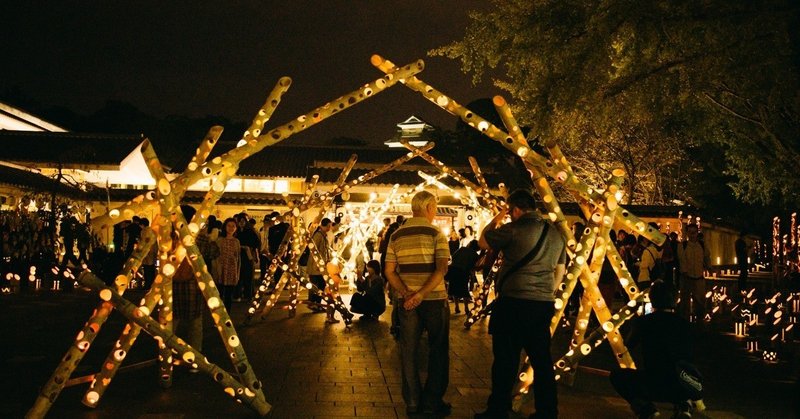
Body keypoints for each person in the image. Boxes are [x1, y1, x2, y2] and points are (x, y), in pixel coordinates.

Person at [476, 189, 566, 419]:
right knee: (542, 361)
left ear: (515, 209)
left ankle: (498, 409)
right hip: (541, 305)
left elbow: (483, 241)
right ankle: (547, 411)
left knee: (505, 359)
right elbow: (560, 269)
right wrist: (548, 292)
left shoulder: (514, 229)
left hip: (513, 303)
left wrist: (497, 218)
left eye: (509, 211)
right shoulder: (555, 234)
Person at [384, 191, 451, 416]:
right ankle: (432, 402)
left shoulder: (396, 235)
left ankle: (412, 402)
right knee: (438, 349)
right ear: (430, 207)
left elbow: (389, 271)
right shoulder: (436, 233)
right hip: (433, 299)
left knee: (409, 350)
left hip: (406, 302)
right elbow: (441, 268)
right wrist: (421, 294)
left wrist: (406, 293)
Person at [610, 280, 701, 418]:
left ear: (652, 300)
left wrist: (635, 324)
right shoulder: (685, 324)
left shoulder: (644, 322)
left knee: (617, 376)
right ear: (676, 300)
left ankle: (646, 409)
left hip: (654, 383)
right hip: (684, 384)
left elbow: (627, 345)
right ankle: (684, 405)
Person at [677, 224, 709, 321]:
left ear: (697, 233)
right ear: (687, 233)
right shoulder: (682, 246)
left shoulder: (702, 245)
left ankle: (699, 324)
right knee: (685, 304)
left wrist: (709, 267)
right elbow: (682, 261)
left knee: (700, 304)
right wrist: (685, 272)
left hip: (699, 278)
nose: (692, 235)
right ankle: (685, 323)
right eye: (690, 232)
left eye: (694, 232)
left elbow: (707, 257)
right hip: (686, 278)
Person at [446, 240, 480, 314]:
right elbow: (473, 266)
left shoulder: (462, 249)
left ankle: (457, 307)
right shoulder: (475, 255)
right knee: (464, 290)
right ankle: (466, 308)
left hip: (454, 270)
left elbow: (453, 257)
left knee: (454, 289)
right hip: (464, 271)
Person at [307, 218, 333, 310]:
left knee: (320, 285)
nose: (330, 227)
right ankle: (314, 304)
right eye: (329, 225)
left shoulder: (323, 235)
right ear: (325, 225)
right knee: (317, 286)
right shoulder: (318, 235)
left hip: (320, 266)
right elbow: (313, 250)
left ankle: (317, 304)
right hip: (316, 267)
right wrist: (319, 263)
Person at [216, 218, 240, 312]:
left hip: (232, 269)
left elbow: (238, 259)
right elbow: (215, 256)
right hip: (221, 269)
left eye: (233, 226)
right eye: (229, 226)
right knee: (219, 294)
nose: (231, 228)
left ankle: (227, 316)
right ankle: (218, 315)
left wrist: (237, 273)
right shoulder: (219, 240)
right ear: (225, 227)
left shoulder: (237, 241)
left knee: (229, 296)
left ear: (236, 228)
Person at [235, 213, 261, 302]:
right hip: (237, 256)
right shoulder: (236, 231)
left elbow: (256, 243)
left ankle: (248, 295)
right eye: (240, 221)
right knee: (238, 276)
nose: (241, 223)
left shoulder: (251, 231)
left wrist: (247, 247)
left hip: (247, 255)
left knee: (248, 276)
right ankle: (238, 294)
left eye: (243, 221)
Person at [140, 218, 158, 290]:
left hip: (147, 252)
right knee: (151, 269)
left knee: (147, 269)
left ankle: (147, 285)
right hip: (153, 252)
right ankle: (152, 285)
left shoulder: (144, 231)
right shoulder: (153, 231)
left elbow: (143, 242)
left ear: (142, 224)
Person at [735, 231, 749, 295]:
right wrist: (748, 248)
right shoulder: (742, 242)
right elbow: (743, 250)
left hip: (740, 260)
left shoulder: (737, 242)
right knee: (744, 274)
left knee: (743, 273)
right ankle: (742, 288)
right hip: (743, 260)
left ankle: (741, 288)